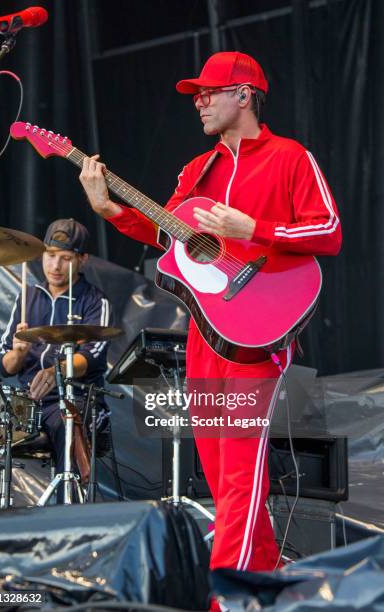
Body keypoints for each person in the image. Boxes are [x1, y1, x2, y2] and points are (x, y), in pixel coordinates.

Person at [78, 51, 342, 571]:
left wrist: (255, 231)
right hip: (207, 331)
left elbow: (328, 231)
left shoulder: (290, 156)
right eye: (195, 94)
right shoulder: (198, 169)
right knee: (222, 475)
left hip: (259, 331)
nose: (197, 101)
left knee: (242, 473)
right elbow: (171, 237)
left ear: (244, 96)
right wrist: (110, 210)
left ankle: (224, 594)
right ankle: (259, 586)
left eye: (208, 91)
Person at [0, 218, 111, 486]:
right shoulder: (27, 298)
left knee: (66, 423)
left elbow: (93, 356)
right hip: (26, 404)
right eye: (50, 256)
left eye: (65, 258)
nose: (55, 266)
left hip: (73, 401)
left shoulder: (95, 301)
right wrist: (18, 354)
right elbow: (3, 367)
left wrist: (57, 372)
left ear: (82, 259)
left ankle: (67, 506)